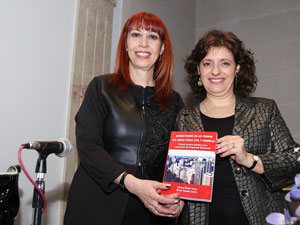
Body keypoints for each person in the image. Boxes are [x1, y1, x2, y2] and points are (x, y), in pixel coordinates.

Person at [63, 12, 185, 225]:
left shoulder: (174, 101)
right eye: (136, 35)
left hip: (153, 208)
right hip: (98, 202)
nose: (144, 43)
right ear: (126, 44)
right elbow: (88, 146)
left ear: (162, 48)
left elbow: (180, 157)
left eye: (153, 37)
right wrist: (132, 183)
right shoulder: (101, 87)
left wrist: (180, 197)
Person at [176, 29, 300, 225]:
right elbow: (182, 180)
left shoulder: (264, 109)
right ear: (199, 70)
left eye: (225, 63)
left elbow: (295, 159)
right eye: (208, 63)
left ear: (238, 68)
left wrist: (250, 159)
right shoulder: (184, 117)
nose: (215, 71)